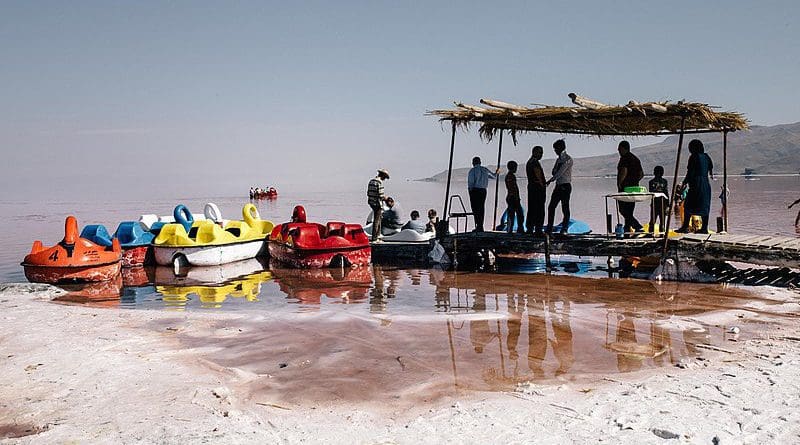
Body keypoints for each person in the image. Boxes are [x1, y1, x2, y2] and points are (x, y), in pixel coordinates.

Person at [677, 139, 714, 233]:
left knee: (688, 205)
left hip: (696, 183)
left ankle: (685, 226)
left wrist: (684, 182)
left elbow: (690, 172)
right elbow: (710, 169)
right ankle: (704, 228)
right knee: (705, 205)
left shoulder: (694, 157)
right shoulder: (706, 156)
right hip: (705, 183)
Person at [545, 139, 573, 234]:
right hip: (558, 185)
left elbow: (559, 173)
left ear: (560, 148)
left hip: (565, 185)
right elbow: (553, 171)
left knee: (565, 207)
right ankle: (549, 227)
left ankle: (564, 228)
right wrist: (554, 174)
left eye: (556, 149)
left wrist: (550, 180)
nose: (555, 151)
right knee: (551, 207)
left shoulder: (568, 159)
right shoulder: (558, 160)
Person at [616, 140, 644, 232]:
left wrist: (620, 182)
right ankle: (627, 227)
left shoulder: (625, 158)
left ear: (624, 149)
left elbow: (624, 171)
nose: (619, 151)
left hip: (625, 188)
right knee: (629, 209)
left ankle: (637, 226)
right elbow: (641, 174)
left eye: (620, 149)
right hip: (634, 188)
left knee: (623, 209)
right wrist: (635, 181)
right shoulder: (636, 159)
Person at [467, 156, 497, 232]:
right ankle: (480, 226)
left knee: (475, 209)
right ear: (480, 162)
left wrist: (470, 191)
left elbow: (471, 183)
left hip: (475, 191)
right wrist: (497, 172)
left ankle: (478, 226)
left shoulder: (472, 171)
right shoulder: (485, 169)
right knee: (481, 208)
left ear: (473, 163)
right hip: (483, 191)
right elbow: (493, 176)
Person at [525, 145, 546, 235]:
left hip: (532, 188)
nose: (541, 154)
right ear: (534, 152)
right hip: (537, 189)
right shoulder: (534, 163)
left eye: (542, 152)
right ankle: (538, 229)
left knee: (531, 208)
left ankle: (530, 228)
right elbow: (538, 176)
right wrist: (543, 185)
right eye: (540, 152)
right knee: (539, 209)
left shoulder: (529, 162)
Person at [367, 169, 390, 241]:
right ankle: (375, 238)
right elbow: (381, 195)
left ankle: (378, 235)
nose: (384, 179)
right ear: (382, 176)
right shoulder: (379, 183)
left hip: (371, 203)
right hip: (377, 204)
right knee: (377, 221)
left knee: (379, 218)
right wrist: (386, 198)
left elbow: (368, 193)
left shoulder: (371, 181)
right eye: (385, 177)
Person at [504, 160, 524, 234]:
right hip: (513, 198)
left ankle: (512, 229)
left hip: (512, 197)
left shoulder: (510, 176)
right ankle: (511, 229)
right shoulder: (510, 176)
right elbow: (513, 188)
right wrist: (516, 197)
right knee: (516, 214)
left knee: (515, 214)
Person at [648, 165, 669, 233]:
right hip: (662, 203)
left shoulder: (651, 182)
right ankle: (662, 234)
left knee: (652, 221)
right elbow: (666, 193)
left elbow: (651, 192)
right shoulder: (664, 181)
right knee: (662, 221)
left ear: (654, 172)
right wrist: (668, 204)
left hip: (655, 203)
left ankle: (650, 234)